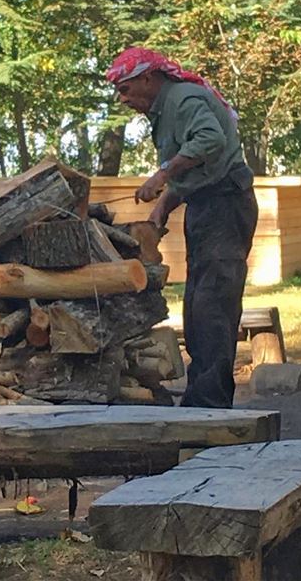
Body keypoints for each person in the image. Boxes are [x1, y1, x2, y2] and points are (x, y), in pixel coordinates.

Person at [106, 46, 258, 408]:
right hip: (206, 207)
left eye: (126, 89)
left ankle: (211, 405)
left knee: (213, 305)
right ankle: (201, 396)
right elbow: (194, 169)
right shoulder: (164, 109)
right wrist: (162, 208)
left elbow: (210, 140)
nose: (123, 99)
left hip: (226, 205)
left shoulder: (184, 100)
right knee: (196, 307)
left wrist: (161, 174)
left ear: (147, 78)